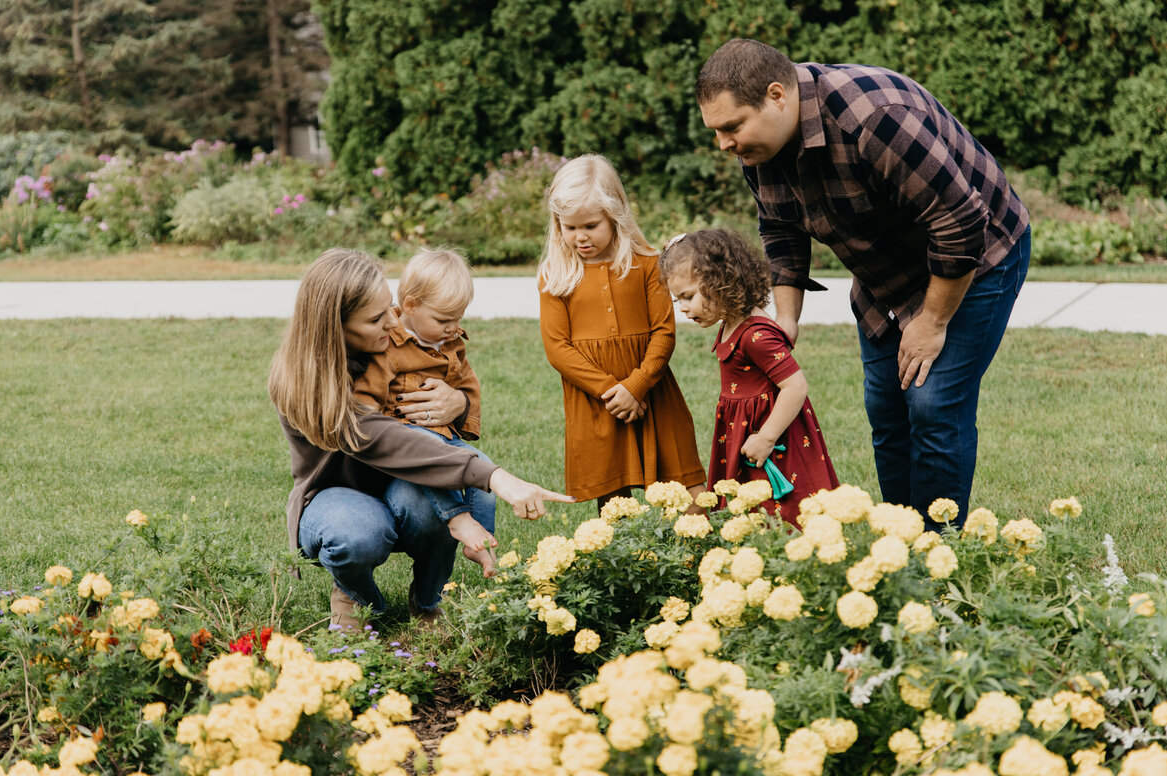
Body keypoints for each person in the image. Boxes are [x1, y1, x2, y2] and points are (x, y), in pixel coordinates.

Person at [695, 39, 1031, 527]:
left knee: (932, 402)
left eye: (731, 127)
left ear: (776, 96)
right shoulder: (760, 149)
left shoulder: (875, 118)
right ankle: (900, 542)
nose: (723, 144)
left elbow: (960, 223)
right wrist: (785, 318)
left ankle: (940, 554)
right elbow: (779, 226)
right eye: (716, 131)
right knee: (887, 409)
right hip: (886, 275)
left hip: (978, 256)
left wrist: (933, 321)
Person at [268, 248, 571, 631]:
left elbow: (454, 400)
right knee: (356, 534)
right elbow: (383, 438)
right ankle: (360, 600)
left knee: (439, 501)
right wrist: (494, 476)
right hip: (337, 494)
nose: (394, 321)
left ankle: (428, 600)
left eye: (391, 307)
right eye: (377, 318)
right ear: (336, 326)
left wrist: (458, 403)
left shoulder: (396, 345)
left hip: (401, 483)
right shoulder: (303, 381)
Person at [537, 153, 706, 510]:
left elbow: (664, 332)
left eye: (591, 226)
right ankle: (626, 565)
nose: (580, 237)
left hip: (654, 393)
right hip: (598, 404)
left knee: (688, 484)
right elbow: (557, 349)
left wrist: (637, 386)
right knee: (615, 503)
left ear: (615, 216)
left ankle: (704, 551)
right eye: (570, 227)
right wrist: (613, 392)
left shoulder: (646, 262)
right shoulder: (554, 275)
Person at [659, 228, 838, 527]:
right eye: (679, 300)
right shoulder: (731, 323)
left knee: (780, 508)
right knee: (751, 508)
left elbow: (795, 386)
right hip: (744, 430)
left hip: (771, 437)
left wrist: (766, 437)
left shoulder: (755, 334)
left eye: (688, 296)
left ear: (720, 281)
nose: (684, 308)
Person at [351, 248, 497, 577]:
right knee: (429, 455)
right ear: (412, 305)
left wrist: (460, 404)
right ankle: (459, 521)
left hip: (444, 440)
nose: (453, 327)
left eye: (459, 318)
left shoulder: (451, 345)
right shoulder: (388, 345)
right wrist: (370, 415)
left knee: (482, 468)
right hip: (405, 445)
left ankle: (481, 541)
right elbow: (367, 401)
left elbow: (468, 389)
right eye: (444, 320)